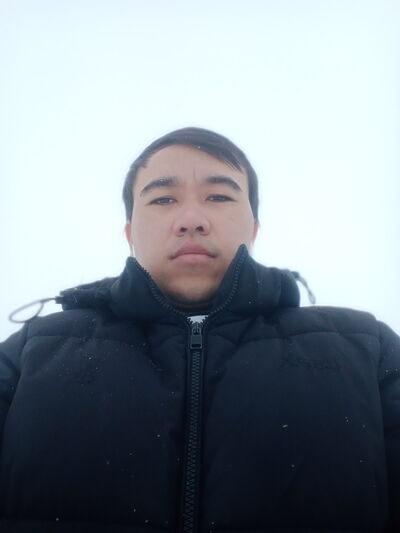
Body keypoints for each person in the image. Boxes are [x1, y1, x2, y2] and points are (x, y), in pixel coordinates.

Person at [0, 127, 399, 533]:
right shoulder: (28, 355)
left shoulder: (369, 350)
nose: (191, 220)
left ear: (254, 227)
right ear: (130, 233)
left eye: (219, 197)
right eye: (163, 199)